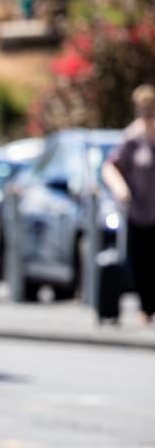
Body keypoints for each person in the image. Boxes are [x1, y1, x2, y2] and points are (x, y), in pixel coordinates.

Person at [101, 83, 155, 326]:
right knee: (142, 262)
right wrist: (120, 188)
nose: (147, 115)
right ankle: (146, 307)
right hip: (140, 212)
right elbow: (110, 166)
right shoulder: (132, 137)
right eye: (143, 110)